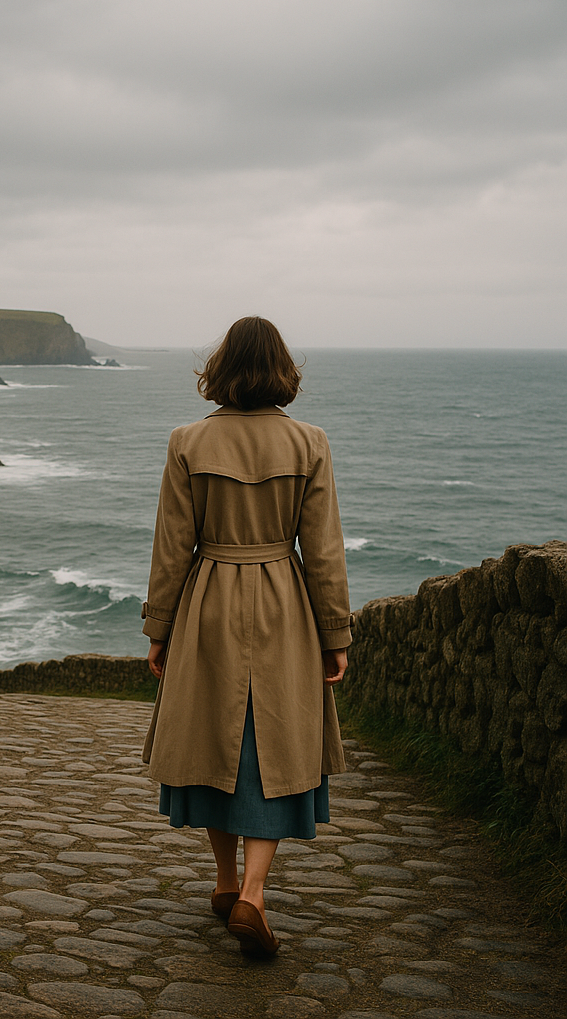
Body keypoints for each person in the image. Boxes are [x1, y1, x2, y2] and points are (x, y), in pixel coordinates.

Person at [141, 316, 351, 957]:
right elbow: (322, 551)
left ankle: (226, 883)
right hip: (283, 601)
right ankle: (256, 893)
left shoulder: (186, 441)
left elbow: (173, 546)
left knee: (213, 735)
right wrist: (335, 633)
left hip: (208, 596)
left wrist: (158, 627)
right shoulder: (310, 443)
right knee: (275, 744)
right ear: (285, 370)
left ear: (220, 370)